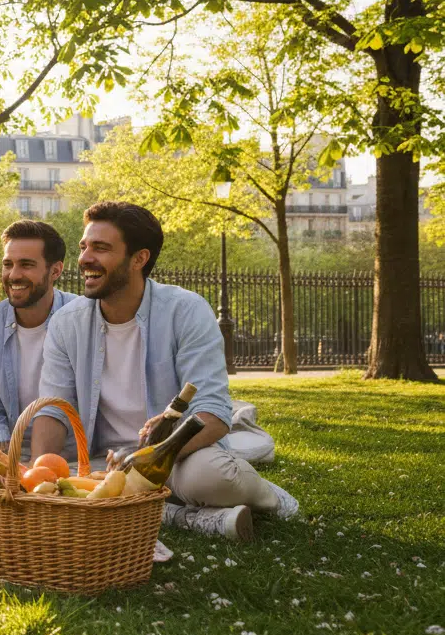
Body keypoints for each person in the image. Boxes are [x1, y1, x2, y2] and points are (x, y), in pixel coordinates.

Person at [29, 201, 298, 541]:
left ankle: (270, 500)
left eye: (101, 248)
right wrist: (41, 474)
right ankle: (187, 517)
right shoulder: (67, 323)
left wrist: (147, 456)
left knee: (212, 478)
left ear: (139, 259)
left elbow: (212, 413)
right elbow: (53, 409)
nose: (84, 258)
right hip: (103, 462)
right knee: (58, 477)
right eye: (84, 247)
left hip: (175, 458)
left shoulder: (186, 311)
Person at [0, 220, 78, 454]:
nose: (14, 275)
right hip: (10, 449)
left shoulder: (81, 317)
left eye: (26, 265)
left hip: (73, 452)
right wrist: (10, 465)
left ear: (55, 270)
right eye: (8, 264)